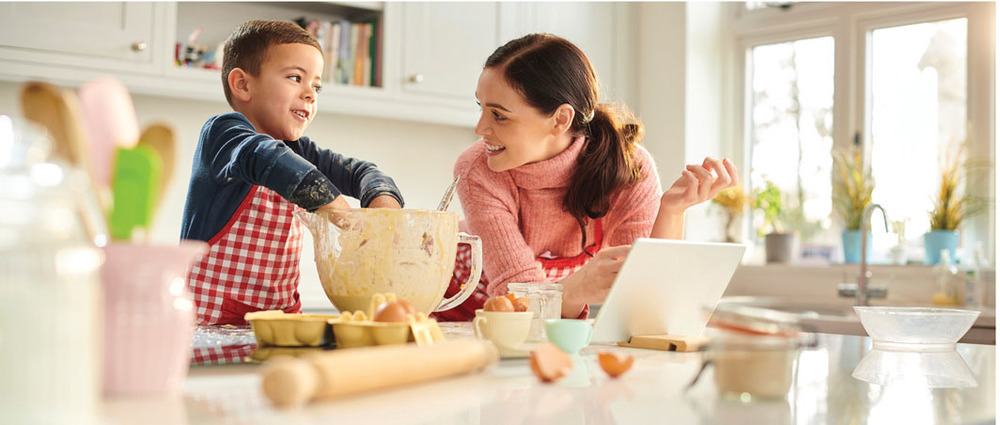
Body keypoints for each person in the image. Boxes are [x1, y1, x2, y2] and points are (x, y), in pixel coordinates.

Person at [434, 33, 739, 321]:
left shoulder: (628, 169)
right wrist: (577, 288)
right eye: (482, 107)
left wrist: (671, 210)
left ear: (560, 119)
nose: (480, 128)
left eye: (498, 114)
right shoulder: (478, 169)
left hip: (539, 321)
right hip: (453, 309)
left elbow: (640, 300)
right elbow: (512, 299)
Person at [180, 20, 403, 326]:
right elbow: (266, 157)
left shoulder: (297, 150)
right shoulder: (223, 134)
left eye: (317, 86)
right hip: (212, 322)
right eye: (295, 78)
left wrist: (383, 205)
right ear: (242, 85)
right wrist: (338, 209)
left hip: (281, 318)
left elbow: (361, 171)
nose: (310, 94)